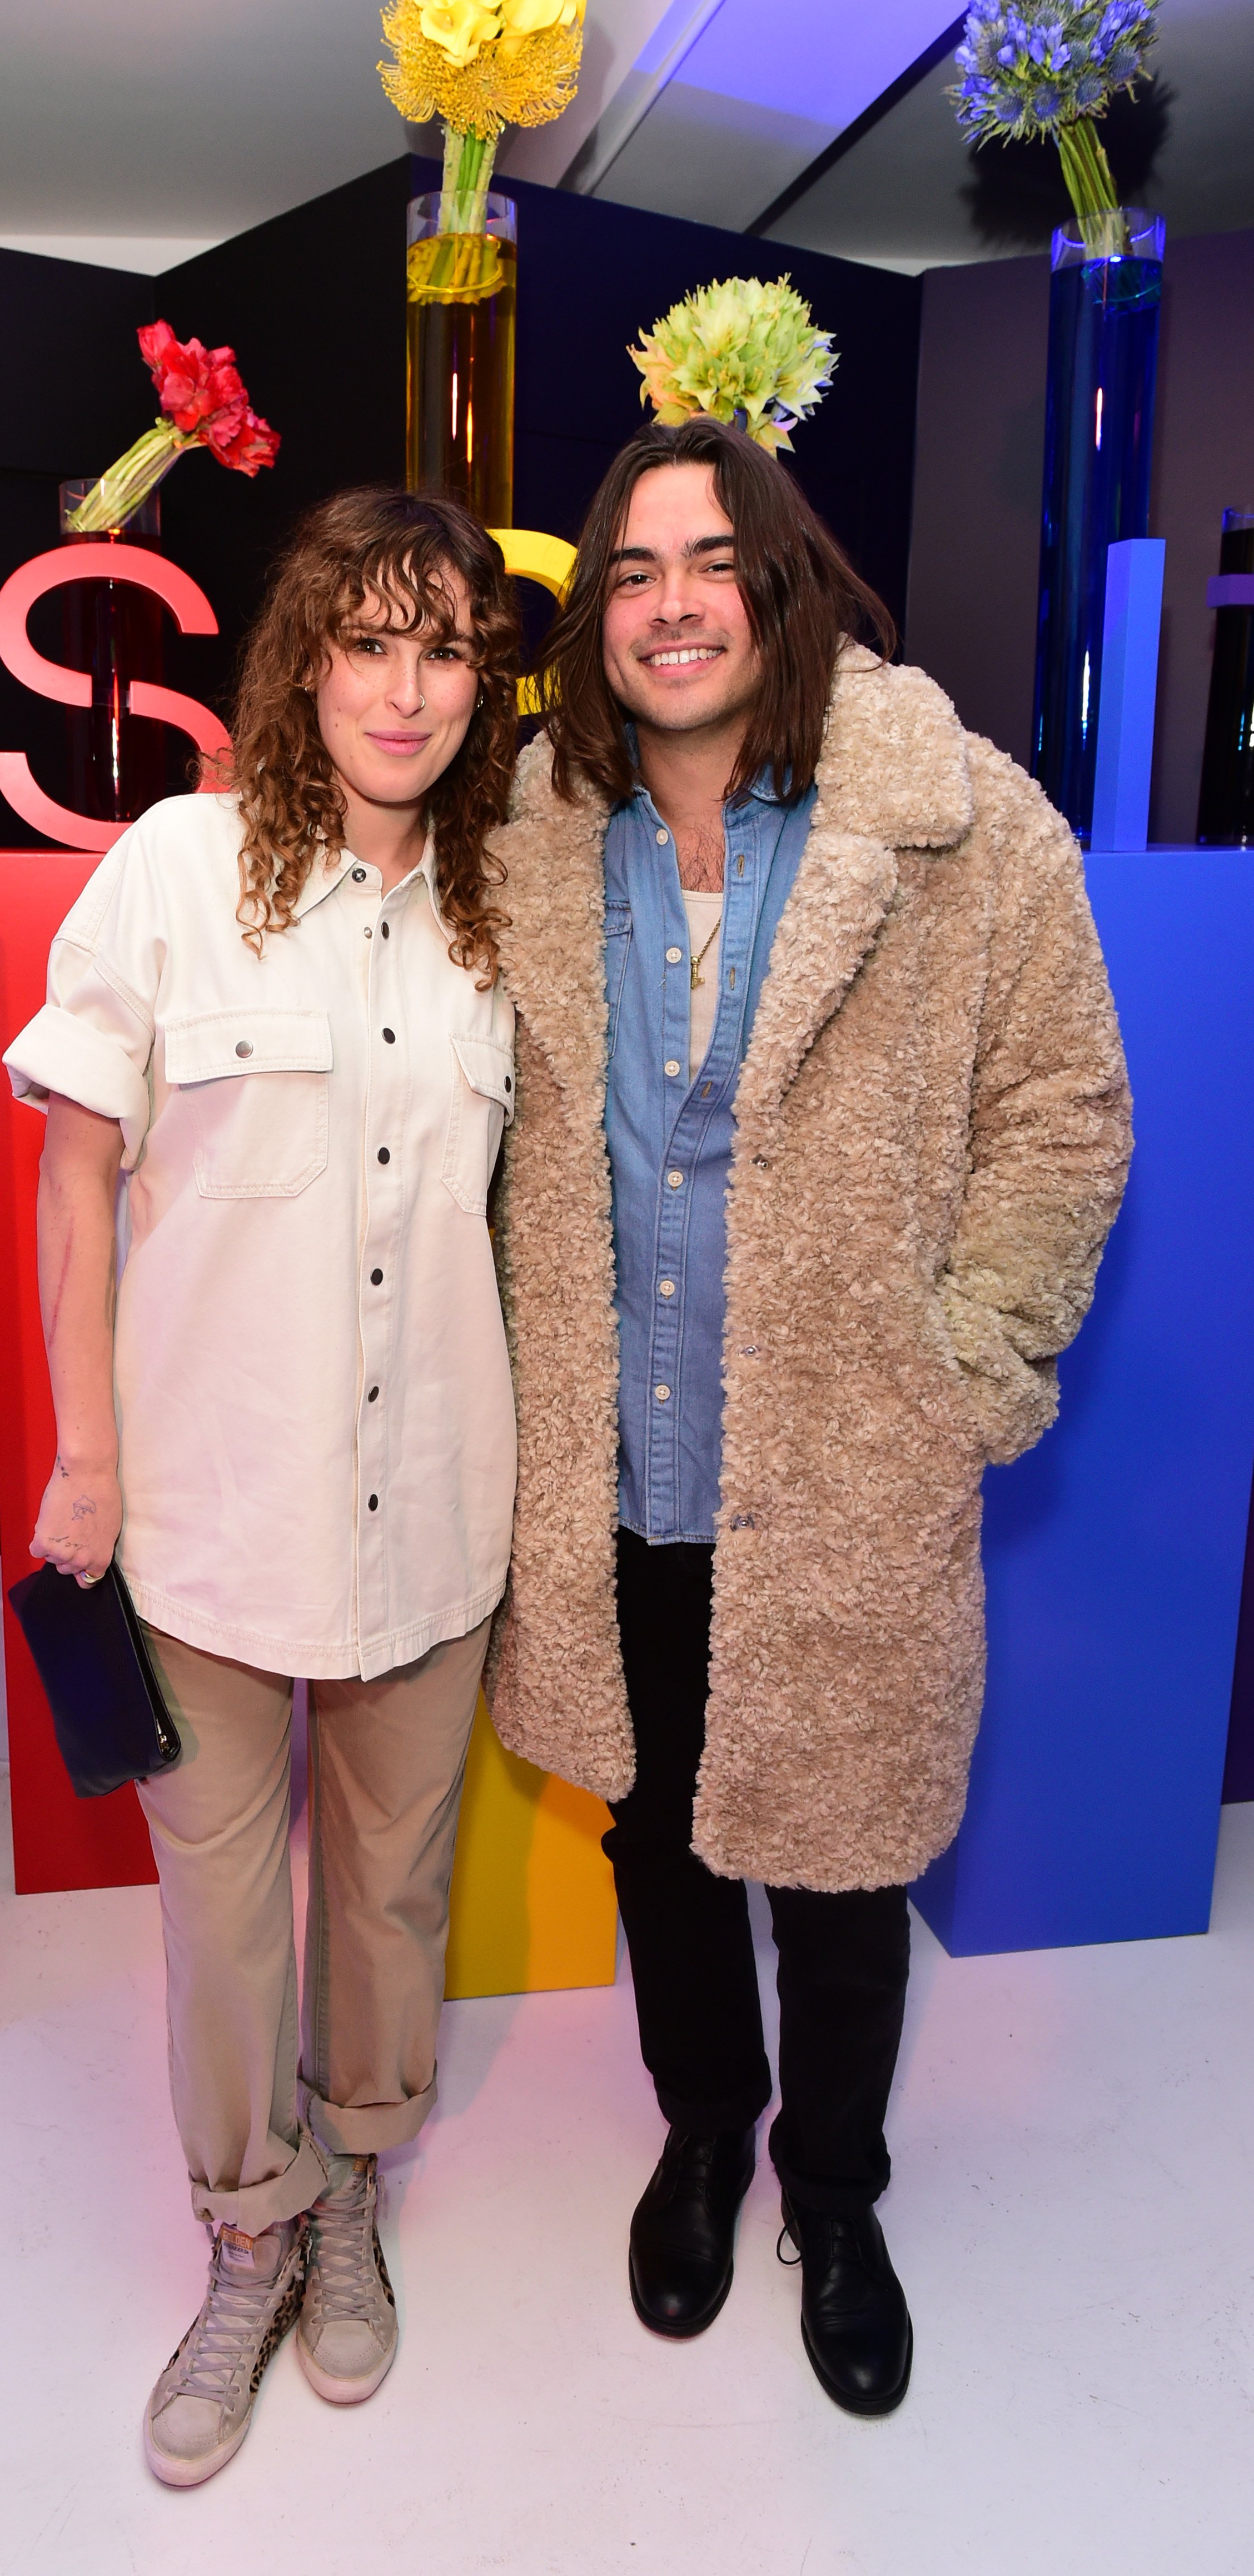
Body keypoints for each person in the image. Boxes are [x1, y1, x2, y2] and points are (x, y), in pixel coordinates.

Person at [485, 417, 1131, 2416]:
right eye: (632, 571)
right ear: (595, 618)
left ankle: (835, 2192)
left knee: (848, 1863)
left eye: (711, 562)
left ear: (781, 582)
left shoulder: (963, 825)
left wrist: (966, 1364)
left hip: (846, 1460)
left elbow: (1063, 1106)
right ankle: (705, 2129)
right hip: (613, 1459)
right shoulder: (523, 834)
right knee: (659, 1837)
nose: (671, 603)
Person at [2, 486, 522, 2487]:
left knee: (390, 1887)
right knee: (222, 1913)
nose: (407, 685)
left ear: (483, 682)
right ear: (308, 656)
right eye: (370, 640)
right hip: (209, 1518)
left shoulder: (496, 916)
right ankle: (248, 2225)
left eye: (446, 648)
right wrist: (89, 1453)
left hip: (432, 1505)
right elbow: (76, 1171)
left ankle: (358, 2189)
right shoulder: (177, 864)